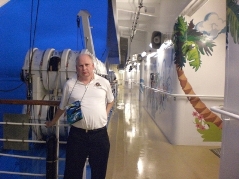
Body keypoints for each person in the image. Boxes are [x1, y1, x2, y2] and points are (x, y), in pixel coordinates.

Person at [45, 53, 114, 179]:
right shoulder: (70, 85)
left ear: (93, 66)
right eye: (81, 66)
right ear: (76, 68)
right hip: (77, 135)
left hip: (99, 135)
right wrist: (53, 121)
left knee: (99, 173)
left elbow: (111, 100)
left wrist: (105, 113)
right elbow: (62, 106)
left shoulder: (103, 83)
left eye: (87, 65)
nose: (84, 68)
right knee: (72, 173)